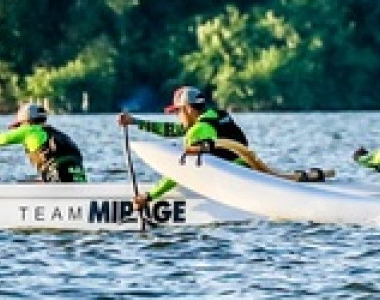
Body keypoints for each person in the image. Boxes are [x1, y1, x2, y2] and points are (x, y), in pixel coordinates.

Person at [119, 86, 323, 212]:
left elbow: (181, 170)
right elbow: (174, 130)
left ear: (188, 109)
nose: (177, 116)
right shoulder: (214, 116)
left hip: (235, 182)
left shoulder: (199, 129)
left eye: (178, 111)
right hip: (246, 170)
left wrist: (150, 196)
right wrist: (136, 122)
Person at [0, 102, 87, 183]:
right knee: (26, 182)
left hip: (58, 180)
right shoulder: (60, 135)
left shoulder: (29, 130)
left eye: (19, 126)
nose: (19, 129)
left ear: (26, 122)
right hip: (79, 181)